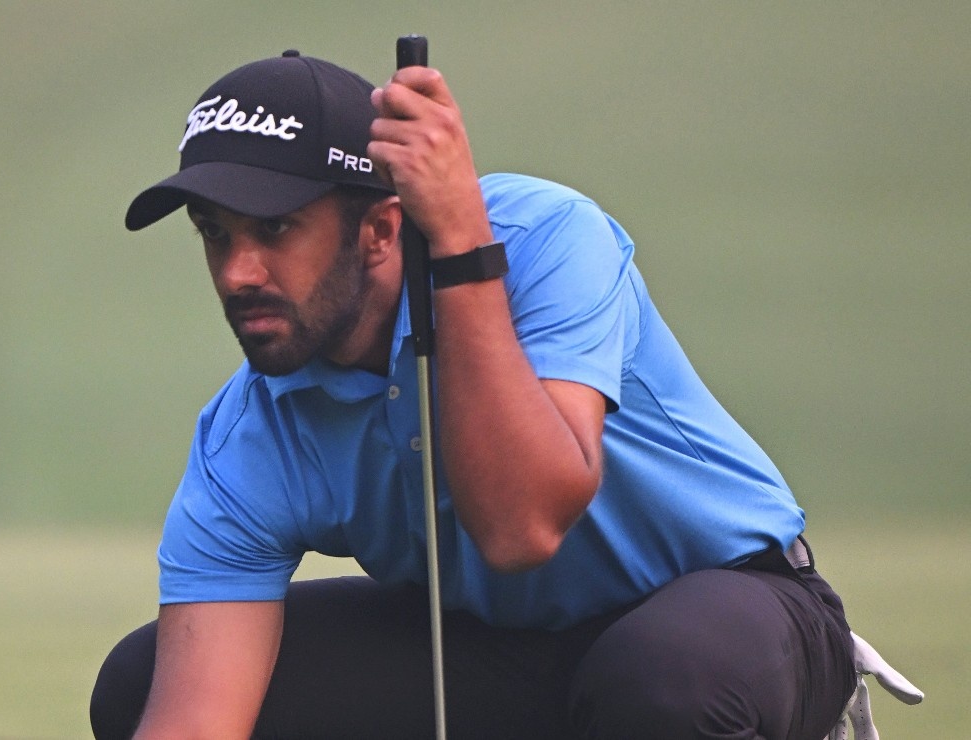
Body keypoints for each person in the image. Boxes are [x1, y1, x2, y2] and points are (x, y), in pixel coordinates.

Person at [92, 48, 857, 739]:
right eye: (215, 233)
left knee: (662, 681)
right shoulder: (250, 431)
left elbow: (524, 528)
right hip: (502, 649)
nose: (237, 273)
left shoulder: (546, 237)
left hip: (731, 613)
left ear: (381, 231)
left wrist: (459, 245)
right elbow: (195, 724)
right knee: (139, 682)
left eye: (275, 229)